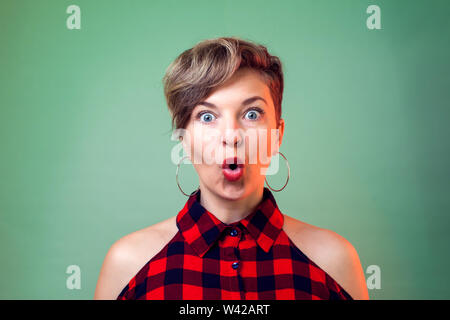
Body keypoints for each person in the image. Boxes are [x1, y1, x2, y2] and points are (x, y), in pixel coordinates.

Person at [94, 36, 369, 300]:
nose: (232, 135)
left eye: (252, 114)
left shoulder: (334, 261)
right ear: (184, 139)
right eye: (207, 116)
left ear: (277, 135)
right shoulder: (129, 264)